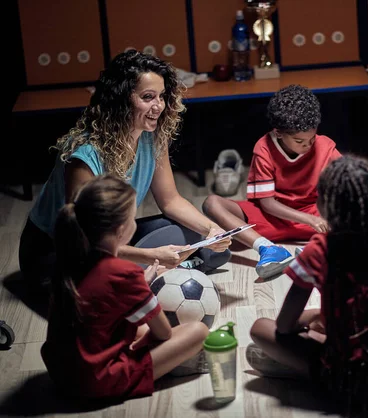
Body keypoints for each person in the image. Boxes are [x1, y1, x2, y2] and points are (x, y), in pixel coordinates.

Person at [19, 50, 231, 293]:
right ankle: (149, 274)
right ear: (120, 100)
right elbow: (82, 239)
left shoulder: (152, 137)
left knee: (201, 240)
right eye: (148, 97)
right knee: (114, 287)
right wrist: (150, 255)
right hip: (58, 253)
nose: (158, 106)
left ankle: (152, 272)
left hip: (114, 238)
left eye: (161, 96)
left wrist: (211, 231)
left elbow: (171, 200)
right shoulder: (84, 155)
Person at [247, 156, 368, 416]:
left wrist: (316, 315)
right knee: (329, 329)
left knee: (261, 331)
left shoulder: (320, 249)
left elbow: (284, 326)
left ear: (324, 205)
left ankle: (309, 375)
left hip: (362, 386)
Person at [41, 175, 209, 399]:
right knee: (197, 332)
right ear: (121, 230)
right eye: (133, 219)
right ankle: (168, 367)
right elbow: (164, 333)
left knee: (138, 327)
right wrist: (143, 289)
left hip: (61, 374)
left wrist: (138, 289)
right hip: (95, 382)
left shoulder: (71, 258)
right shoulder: (123, 272)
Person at [203, 84, 341, 279]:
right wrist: (310, 220)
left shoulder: (324, 146)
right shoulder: (264, 148)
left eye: (311, 139)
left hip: (315, 214)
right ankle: (268, 248)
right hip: (275, 217)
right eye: (300, 141)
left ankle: (318, 252)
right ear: (278, 133)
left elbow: (351, 181)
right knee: (212, 204)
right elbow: (267, 204)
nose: (307, 146)